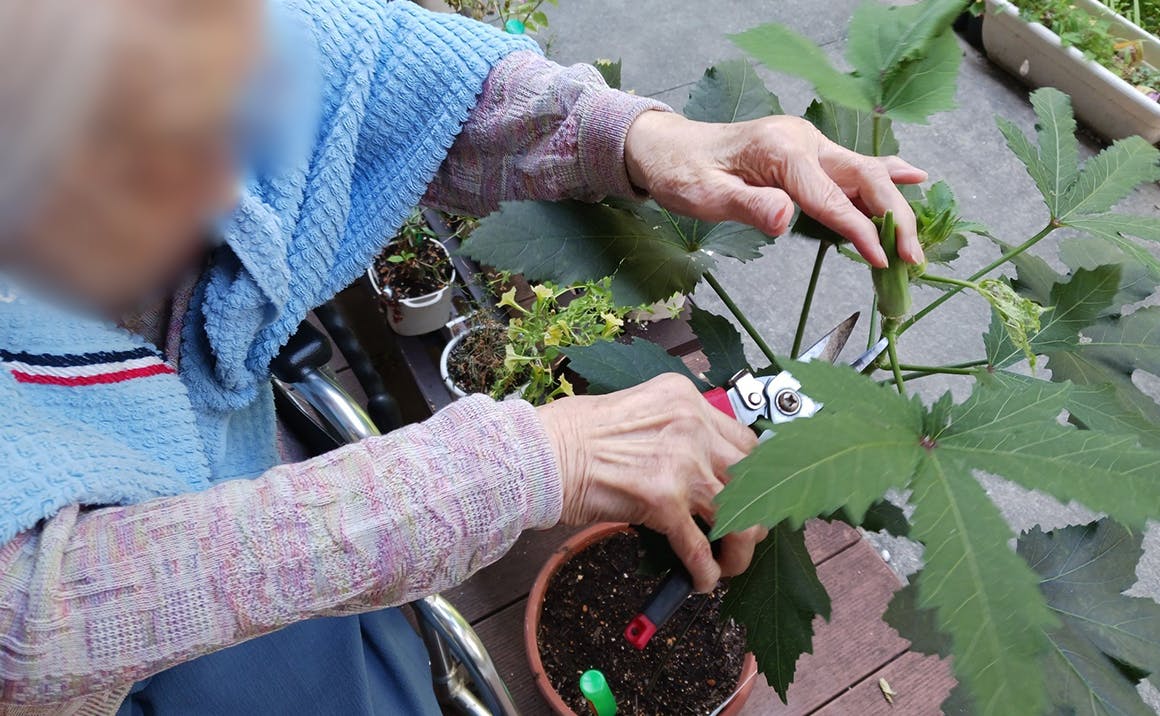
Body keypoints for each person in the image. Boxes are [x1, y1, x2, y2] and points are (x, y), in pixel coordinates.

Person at [0, 0, 926, 713]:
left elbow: (353, 67)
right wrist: (536, 460)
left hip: (256, 531)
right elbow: (32, 624)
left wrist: (649, 139)